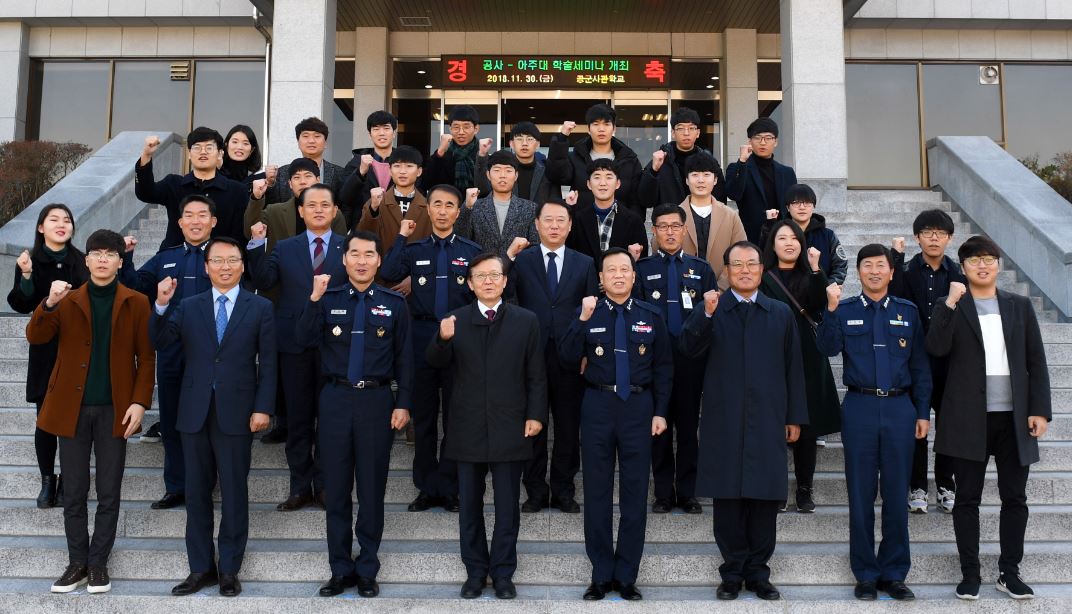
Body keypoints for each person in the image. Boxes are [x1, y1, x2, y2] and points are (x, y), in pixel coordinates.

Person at [925, 235, 1051, 601]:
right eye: (975, 260)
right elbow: (935, 347)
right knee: (967, 499)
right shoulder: (949, 304)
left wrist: (1040, 410)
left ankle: (1009, 572)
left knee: (1016, 498)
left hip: (1014, 420)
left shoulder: (1019, 306)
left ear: (998, 265)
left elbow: (1036, 361)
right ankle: (970, 573)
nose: (983, 265)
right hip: (968, 419)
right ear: (962, 267)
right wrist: (949, 302)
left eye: (989, 259)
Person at [29, 229, 154, 595]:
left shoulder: (136, 301)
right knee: (75, 492)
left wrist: (139, 402)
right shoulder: (66, 300)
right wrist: (48, 304)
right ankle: (76, 563)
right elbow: (36, 337)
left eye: (110, 254)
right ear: (85, 260)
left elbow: (146, 357)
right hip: (71, 409)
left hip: (115, 410)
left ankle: (98, 564)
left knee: (109, 491)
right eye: (96, 253)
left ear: (119, 260)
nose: (102, 259)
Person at [679, 240, 806, 601]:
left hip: (768, 417)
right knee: (728, 498)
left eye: (752, 264)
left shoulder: (779, 313)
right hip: (724, 416)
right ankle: (732, 572)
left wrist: (794, 415)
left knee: (765, 497)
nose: (745, 270)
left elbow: (793, 368)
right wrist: (704, 314)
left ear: (762, 269)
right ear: (726, 271)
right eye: (737, 265)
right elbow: (687, 349)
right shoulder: (714, 308)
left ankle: (759, 572)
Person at [151, 236, 276, 598]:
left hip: (238, 414)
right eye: (217, 260)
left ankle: (230, 570)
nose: (225, 266)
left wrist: (263, 407)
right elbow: (160, 342)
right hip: (194, 412)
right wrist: (160, 305)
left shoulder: (260, 307)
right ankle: (200, 568)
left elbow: (269, 363)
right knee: (196, 493)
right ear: (206, 267)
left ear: (242, 265)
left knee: (235, 493)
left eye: (232, 260)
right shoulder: (188, 306)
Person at [296, 231, 413, 599]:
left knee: (372, 489)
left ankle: (367, 569)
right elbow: (301, 339)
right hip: (334, 400)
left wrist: (404, 403)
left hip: (376, 401)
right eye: (355, 254)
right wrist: (313, 298)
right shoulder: (326, 299)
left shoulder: (394, 304)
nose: (362, 261)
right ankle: (339, 568)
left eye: (369, 255)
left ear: (379, 261)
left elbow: (406, 360)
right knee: (337, 489)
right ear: (344, 259)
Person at [426, 253, 547, 600]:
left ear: (505, 281)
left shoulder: (526, 321)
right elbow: (433, 363)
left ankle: (504, 573)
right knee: (470, 507)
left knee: (508, 506)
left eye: (495, 275)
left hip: (511, 425)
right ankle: (475, 572)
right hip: (467, 426)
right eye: (481, 276)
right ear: (469, 283)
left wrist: (536, 415)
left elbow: (536, 374)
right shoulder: (455, 320)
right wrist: (442, 339)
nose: (489, 281)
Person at [815, 243, 932, 602]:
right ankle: (865, 573)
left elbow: (920, 368)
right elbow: (826, 347)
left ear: (892, 272)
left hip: (900, 409)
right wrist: (830, 309)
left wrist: (923, 413)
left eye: (881, 265)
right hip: (860, 407)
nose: (875, 271)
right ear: (860, 272)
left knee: (897, 495)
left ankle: (895, 573)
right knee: (861, 495)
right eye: (867, 266)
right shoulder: (845, 308)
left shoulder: (907, 312)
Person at [559, 247, 671, 602]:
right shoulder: (588, 312)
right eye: (612, 271)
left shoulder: (651, 316)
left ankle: (626, 576)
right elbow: (565, 357)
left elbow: (664, 368)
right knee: (596, 493)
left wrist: (660, 411)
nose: (619, 275)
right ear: (602, 279)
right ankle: (601, 574)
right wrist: (581, 318)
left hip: (639, 406)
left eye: (626, 270)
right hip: (598, 405)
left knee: (636, 493)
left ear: (634, 277)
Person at [379, 184, 482, 513]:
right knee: (423, 420)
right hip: (421, 337)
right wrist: (400, 236)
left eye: (448, 205)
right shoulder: (415, 248)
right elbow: (389, 272)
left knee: (454, 418)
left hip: (458, 341)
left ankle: (449, 487)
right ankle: (426, 487)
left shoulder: (470, 249)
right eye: (435, 204)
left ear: (456, 212)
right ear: (429, 210)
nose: (441, 210)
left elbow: (481, 296)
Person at [247, 183, 347, 511]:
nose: (318, 210)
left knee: (330, 422)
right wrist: (257, 244)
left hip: (335, 345)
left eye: (325, 205)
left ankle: (326, 486)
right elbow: (263, 281)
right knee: (299, 420)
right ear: (301, 211)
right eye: (311, 205)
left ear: (334, 212)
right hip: (293, 346)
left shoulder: (349, 248)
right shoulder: (284, 247)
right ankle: (300, 486)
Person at [121, 195, 216, 511]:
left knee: (210, 421)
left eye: (202, 215)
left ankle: (206, 484)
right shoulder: (167, 257)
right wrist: (128, 257)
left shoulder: (222, 256)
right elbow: (137, 285)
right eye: (189, 215)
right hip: (172, 349)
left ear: (213, 222)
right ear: (180, 223)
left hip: (212, 353)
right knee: (173, 420)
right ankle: (176, 486)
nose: (195, 220)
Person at [506, 200, 599, 514]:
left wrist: (588, 352)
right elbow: (509, 301)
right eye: (549, 220)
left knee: (568, 427)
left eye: (561, 220)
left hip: (571, 358)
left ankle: (564, 490)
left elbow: (592, 312)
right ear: (537, 225)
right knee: (532, 425)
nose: (555, 226)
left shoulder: (585, 263)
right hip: (530, 357)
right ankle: (534, 491)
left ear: (570, 225)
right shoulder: (522, 261)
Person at [635, 204, 717, 514]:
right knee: (658, 427)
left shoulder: (701, 269)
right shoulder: (641, 269)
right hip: (654, 361)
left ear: (684, 230)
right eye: (662, 226)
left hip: (690, 361)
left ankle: (687, 492)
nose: (669, 231)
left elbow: (711, 319)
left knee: (686, 428)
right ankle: (662, 494)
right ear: (653, 231)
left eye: (675, 226)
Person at [6, 203, 89, 509]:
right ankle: (47, 480)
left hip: (78, 347)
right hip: (44, 349)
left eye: (66, 220)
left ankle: (69, 478)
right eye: (53, 219)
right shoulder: (30, 260)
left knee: (77, 419)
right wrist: (26, 275)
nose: (61, 224)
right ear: (41, 227)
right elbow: (22, 303)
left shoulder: (82, 260)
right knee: (45, 418)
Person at [759, 221, 841, 512]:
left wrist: (817, 268)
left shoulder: (811, 274)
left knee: (807, 425)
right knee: (774, 424)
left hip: (807, 352)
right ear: (773, 244)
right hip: (771, 353)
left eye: (795, 238)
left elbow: (819, 304)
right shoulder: (762, 275)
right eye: (782, 238)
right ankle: (777, 487)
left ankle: (805, 489)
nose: (789, 243)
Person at [891, 209, 965, 514]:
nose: (933, 238)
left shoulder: (960, 275)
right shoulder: (906, 272)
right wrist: (895, 259)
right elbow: (892, 299)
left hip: (951, 361)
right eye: (927, 232)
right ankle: (917, 485)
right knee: (915, 424)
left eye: (940, 233)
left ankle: (946, 484)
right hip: (916, 360)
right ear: (917, 237)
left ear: (949, 238)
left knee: (948, 426)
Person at [135, 128, 250, 249]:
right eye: (197, 147)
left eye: (209, 147)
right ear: (189, 154)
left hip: (218, 260)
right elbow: (145, 193)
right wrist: (146, 155)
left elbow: (239, 234)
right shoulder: (174, 184)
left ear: (220, 154)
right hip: (176, 258)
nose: (203, 152)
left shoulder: (236, 190)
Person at [546, 104, 644, 219]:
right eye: (596, 124)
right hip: (581, 226)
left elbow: (636, 200)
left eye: (606, 124)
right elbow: (556, 176)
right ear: (588, 129)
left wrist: (634, 225)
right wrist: (562, 138)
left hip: (620, 226)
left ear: (614, 128)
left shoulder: (629, 159)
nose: (601, 129)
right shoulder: (576, 157)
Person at [244, 158, 349, 255]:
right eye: (297, 177)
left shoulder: (333, 213)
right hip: (282, 272)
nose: (303, 182)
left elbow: (340, 251)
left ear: (318, 180)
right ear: (290, 184)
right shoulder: (274, 211)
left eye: (308, 176)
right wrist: (256, 198)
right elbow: (250, 232)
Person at [678, 153, 748, 287]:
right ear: (686, 180)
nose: (700, 180)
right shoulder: (674, 216)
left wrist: (720, 289)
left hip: (723, 292)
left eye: (706, 175)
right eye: (695, 175)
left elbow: (740, 255)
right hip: (681, 289)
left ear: (715, 180)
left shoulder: (730, 216)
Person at [724, 118, 798, 244]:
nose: (763, 142)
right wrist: (742, 162)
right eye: (757, 138)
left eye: (768, 138)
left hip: (780, 235)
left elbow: (793, 205)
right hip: (750, 235)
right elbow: (734, 194)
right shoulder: (737, 168)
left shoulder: (787, 172)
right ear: (749, 141)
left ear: (775, 142)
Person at [758, 183, 848, 285]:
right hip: (784, 294)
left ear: (813, 206)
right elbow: (764, 259)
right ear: (788, 207)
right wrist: (769, 227)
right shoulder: (777, 232)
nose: (802, 207)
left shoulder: (827, 235)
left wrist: (825, 287)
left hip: (819, 295)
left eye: (807, 203)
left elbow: (840, 266)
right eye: (796, 203)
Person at [457, 150, 539, 259]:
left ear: (516, 176)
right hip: (483, 272)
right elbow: (460, 239)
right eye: (497, 170)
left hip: (518, 272)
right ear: (488, 175)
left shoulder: (530, 208)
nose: (502, 176)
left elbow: (535, 246)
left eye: (508, 171)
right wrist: (467, 207)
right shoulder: (475, 206)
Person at [565, 159, 648, 265]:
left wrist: (633, 259)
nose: (602, 183)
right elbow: (568, 253)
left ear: (618, 183)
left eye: (609, 177)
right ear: (589, 184)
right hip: (586, 281)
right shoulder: (577, 219)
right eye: (597, 177)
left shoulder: (634, 221)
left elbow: (642, 261)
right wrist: (568, 209)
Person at [356, 145, 431, 263]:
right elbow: (362, 237)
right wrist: (373, 209)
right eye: (397, 166)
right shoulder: (375, 202)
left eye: (409, 166)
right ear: (390, 171)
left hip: (417, 275)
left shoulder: (429, 207)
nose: (402, 171)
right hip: (381, 274)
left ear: (419, 171)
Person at [638, 106, 726, 207]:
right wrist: (653, 171)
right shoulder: (660, 161)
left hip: (701, 221)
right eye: (680, 128)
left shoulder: (709, 162)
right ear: (673, 133)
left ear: (698, 133)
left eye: (691, 128)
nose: (686, 133)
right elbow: (646, 201)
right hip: (670, 221)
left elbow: (720, 199)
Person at [266, 117, 350, 204]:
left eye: (317, 136)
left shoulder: (340, 173)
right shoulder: (281, 173)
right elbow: (272, 208)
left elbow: (345, 207)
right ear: (298, 142)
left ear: (325, 143)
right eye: (305, 136)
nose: (311, 141)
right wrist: (270, 183)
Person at [340, 110, 400, 222]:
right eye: (376, 129)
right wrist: (360, 172)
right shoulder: (357, 162)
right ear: (370, 134)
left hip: (396, 226)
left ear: (394, 133)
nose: (381, 133)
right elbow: (345, 197)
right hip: (364, 226)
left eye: (386, 128)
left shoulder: (403, 163)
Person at [476, 121, 554, 204]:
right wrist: (482, 155)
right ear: (511, 144)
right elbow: (483, 189)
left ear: (538, 144)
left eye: (530, 139)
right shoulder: (502, 170)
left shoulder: (547, 171)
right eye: (519, 139)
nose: (524, 143)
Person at [422, 105, 488, 195]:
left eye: (466, 127)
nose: (461, 132)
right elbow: (426, 184)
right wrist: (440, 153)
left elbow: (487, 189)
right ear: (450, 129)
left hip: (477, 207)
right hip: (447, 206)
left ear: (476, 129)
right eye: (456, 127)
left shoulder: (482, 155)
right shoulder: (442, 154)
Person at [219, 124, 275, 189]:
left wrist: (270, 183)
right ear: (226, 145)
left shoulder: (259, 178)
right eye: (235, 142)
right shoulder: (214, 173)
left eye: (245, 143)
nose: (239, 147)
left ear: (252, 150)